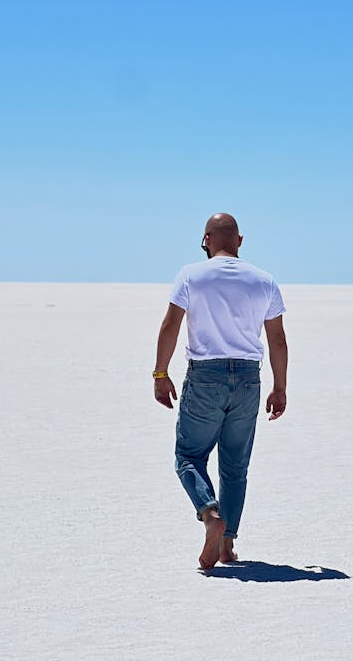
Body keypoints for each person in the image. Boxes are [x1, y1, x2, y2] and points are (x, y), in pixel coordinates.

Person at [153, 213, 288, 569]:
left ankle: (210, 514)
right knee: (235, 466)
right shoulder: (264, 281)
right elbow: (277, 340)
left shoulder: (191, 275)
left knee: (189, 456)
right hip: (248, 378)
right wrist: (280, 386)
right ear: (240, 241)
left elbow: (170, 326)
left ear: (206, 239)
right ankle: (227, 546)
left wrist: (160, 373)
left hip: (205, 377)